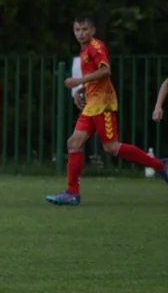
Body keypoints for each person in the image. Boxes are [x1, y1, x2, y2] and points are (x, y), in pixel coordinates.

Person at [46, 14, 168, 204]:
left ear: (93, 30)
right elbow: (95, 77)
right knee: (73, 143)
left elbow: (105, 71)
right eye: (77, 30)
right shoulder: (85, 50)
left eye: (85, 29)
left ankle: (160, 165)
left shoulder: (96, 47)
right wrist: (80, 90)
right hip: (92, 104)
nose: (81, 33)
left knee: (111, 147)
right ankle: (72, 193)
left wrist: (78, 81)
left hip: (103, 104)